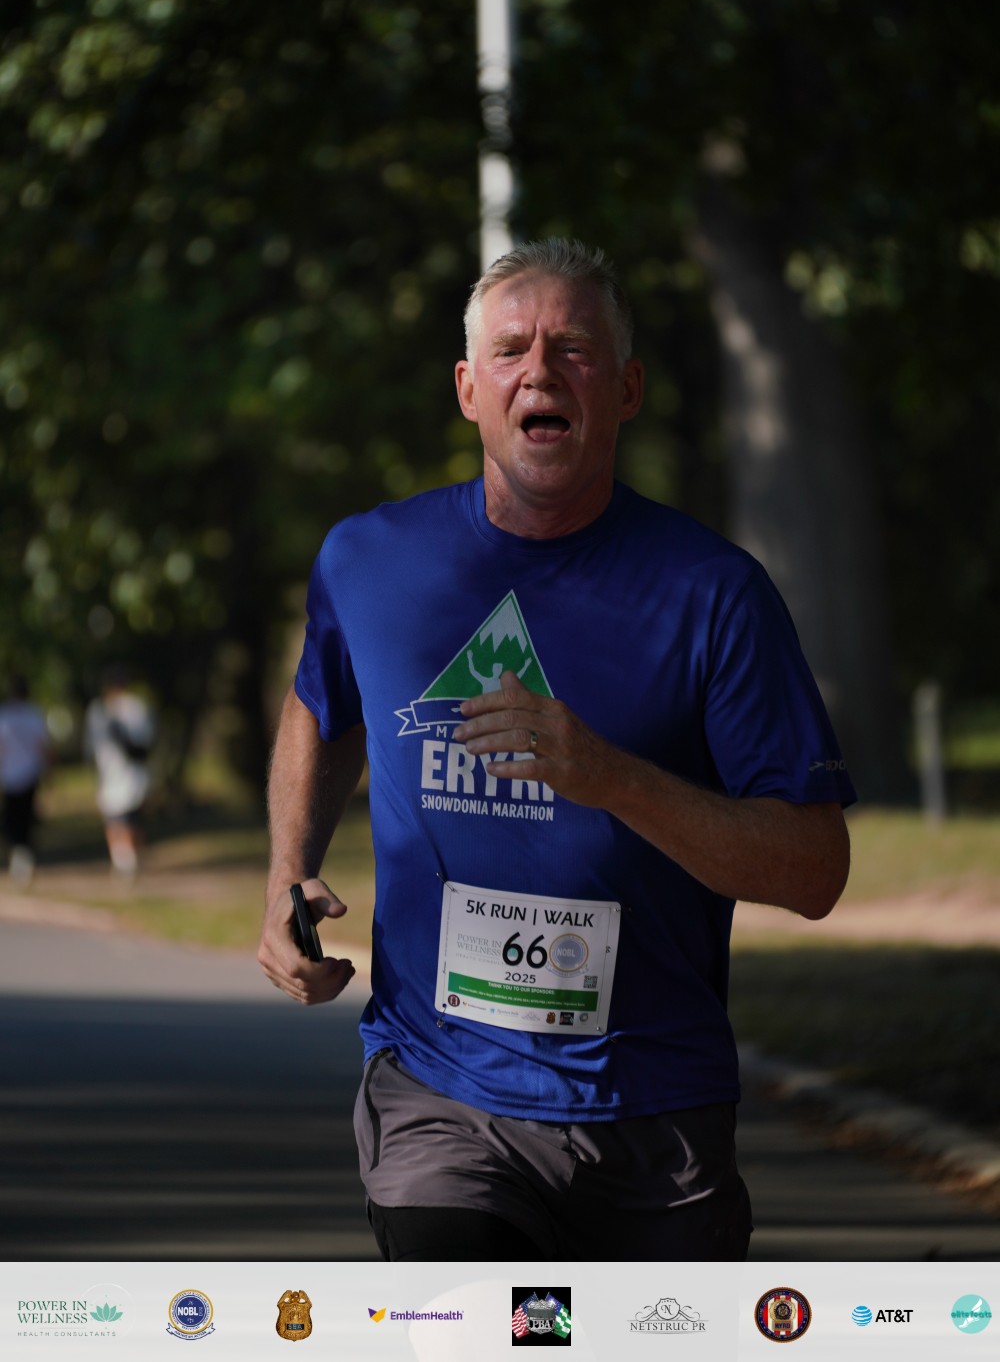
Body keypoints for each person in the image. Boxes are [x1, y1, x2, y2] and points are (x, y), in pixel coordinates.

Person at [258, 237, 855, 1262]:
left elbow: (814, 870)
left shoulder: (714, 595)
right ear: (468, 390)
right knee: (482, 1326)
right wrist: (286, 873)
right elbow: (322, 703)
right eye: (510, 350)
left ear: (625, 390)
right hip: (442, 1092)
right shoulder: (370, 559)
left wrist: (607, 777)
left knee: (627, 1334)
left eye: (573, 349)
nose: (539, 370)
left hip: (653, 1111)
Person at [84, 666, 156, 877]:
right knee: (121, 820)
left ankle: (126, 861)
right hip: (119, 775)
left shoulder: (125, 709)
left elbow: (142, 747)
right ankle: (125, 862)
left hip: (124, 774)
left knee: (124, 821)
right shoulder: (103, 710)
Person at [0, 676, 52, 886]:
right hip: (29, 774)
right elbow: (42, 746)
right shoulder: (33, 714)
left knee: (14, 820)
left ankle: (20, 860)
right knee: (24, 819)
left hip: (10, 775)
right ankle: (23, 859)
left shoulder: (5, 715)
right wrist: (49, 772)